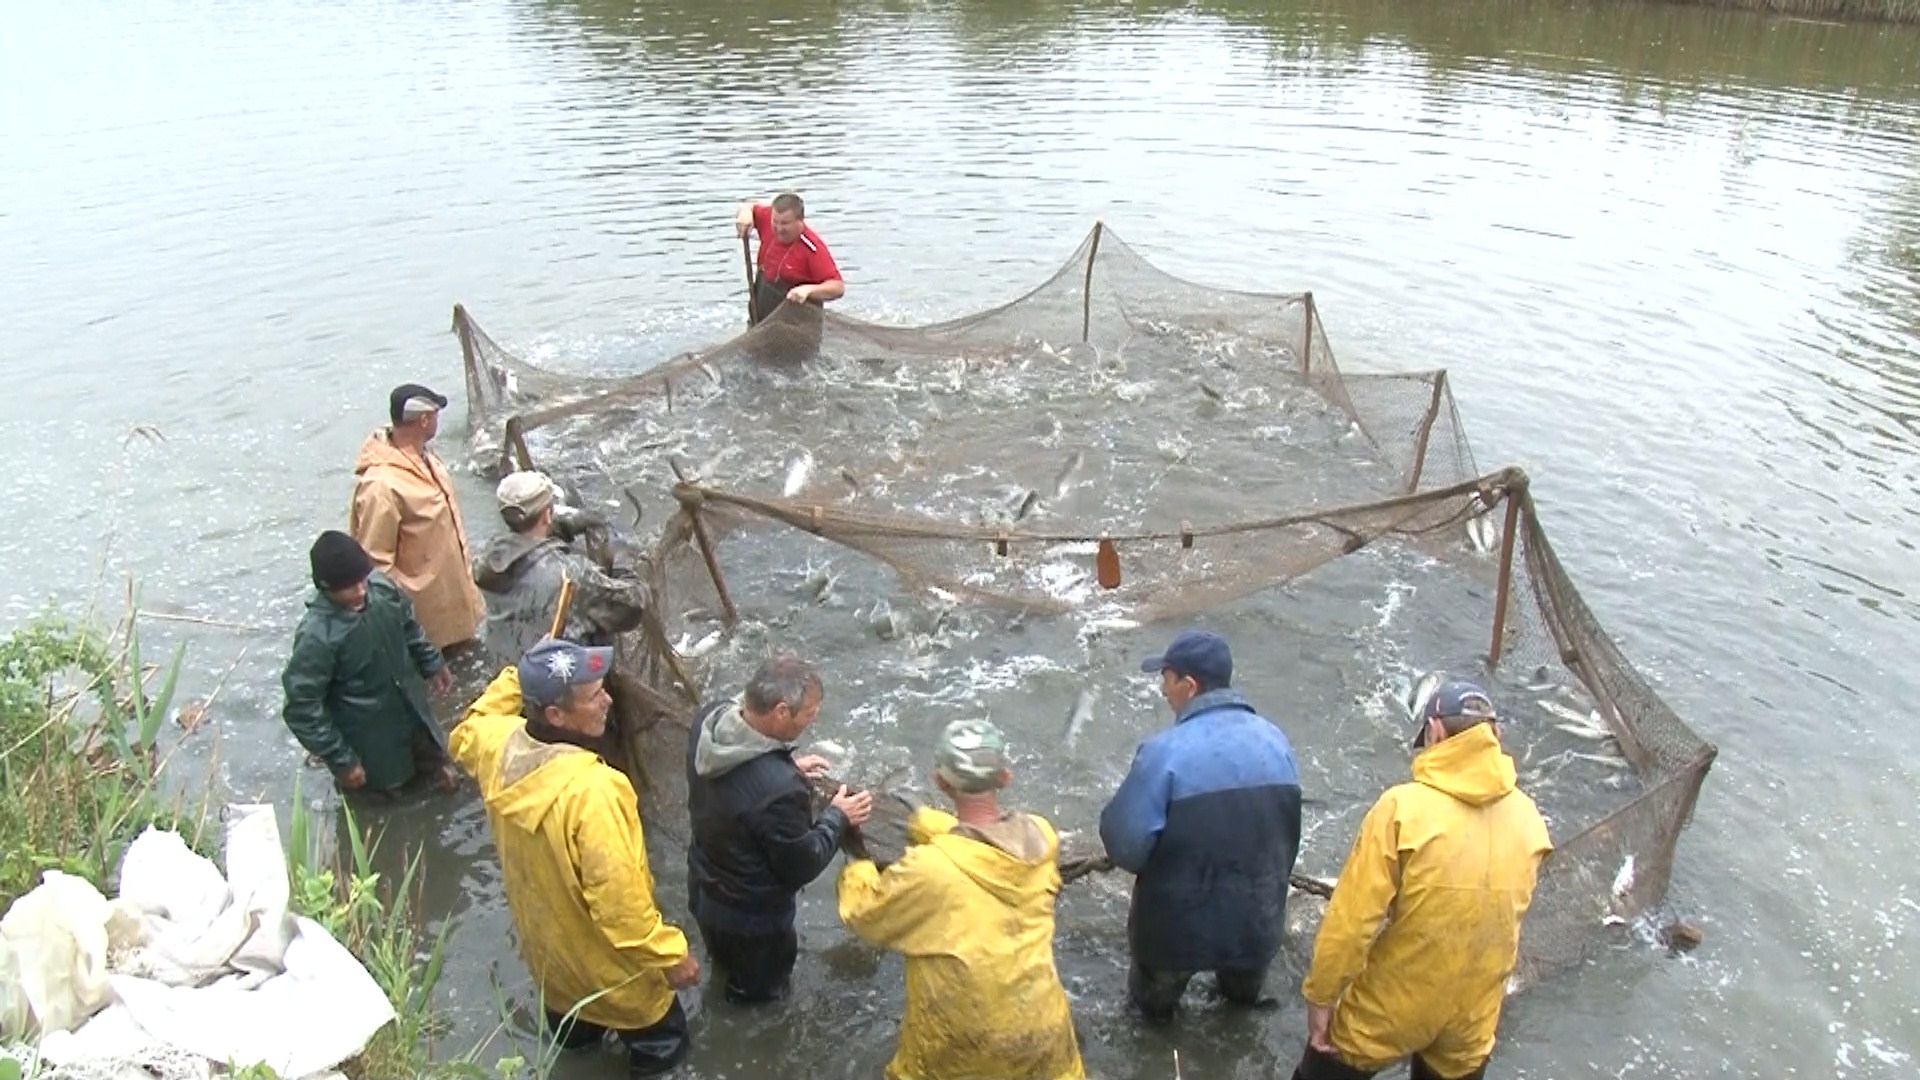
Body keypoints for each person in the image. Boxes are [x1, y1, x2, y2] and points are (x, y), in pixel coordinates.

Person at [449, 639, 700, 1077]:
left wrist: (522, 671)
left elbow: (471, 725)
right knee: (661, 1056)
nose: (607, 700)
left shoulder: (496, 746)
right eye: (593, 696)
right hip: (618, 980)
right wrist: (671, 955)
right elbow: (622, 912)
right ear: (555, 715)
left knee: (575, 1053)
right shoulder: (594, 793)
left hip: (554, 969)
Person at [1292, 680, 1552, 1080]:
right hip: (1474, 1017)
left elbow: (1351, 924)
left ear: (1434, 732)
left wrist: (1321, 998)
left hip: (1392, 1007)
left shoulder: (1401, 808)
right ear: (1495, 735)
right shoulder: (1529, 817)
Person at [837, 719, 1086, 1080]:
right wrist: (925, 823)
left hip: (963, 1040)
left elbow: (865, 915)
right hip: (1041, 1029)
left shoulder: (931, 868)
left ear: (939, 781)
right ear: (1004, 778)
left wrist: (858, 863)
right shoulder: (1042, 836)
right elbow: (983, 840)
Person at [1098, 628, 1303, 1022]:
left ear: (1189, 685)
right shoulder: (1277, 742)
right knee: (1239, 1016)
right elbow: (1287, 836)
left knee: (1150, 1020)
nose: (1163, 690)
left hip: (1175, 936)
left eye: (1167, 678)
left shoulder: (1163, 754)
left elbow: (1124, 846)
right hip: (1256, 927)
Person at [685, 653, 873, 1004]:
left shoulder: (709, 720)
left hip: (704, 890)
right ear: (781, 712)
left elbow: (738, 786)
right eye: (810, 712)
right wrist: (838, 816)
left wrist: (781, 763)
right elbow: (802, 864)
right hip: (753, 925)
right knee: (760, 1001)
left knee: (723, 969)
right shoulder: (779, 790)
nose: (814, 718)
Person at [281, 530, 456, 795]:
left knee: (438, 768)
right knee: (388, 798)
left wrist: (431, 661)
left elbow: (408, 626)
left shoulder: (381, 589)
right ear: (327, 588)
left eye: (363, 581)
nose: (362, 591)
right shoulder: (316, 637)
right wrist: (342, 760)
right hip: (370, 742)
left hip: (413, 714)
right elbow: (301, 707)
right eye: (351, 587)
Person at [349, 383, 487, 650]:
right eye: (435, 413)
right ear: (424, 420)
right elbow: (375, 563)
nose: (437, 420)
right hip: (424, 621)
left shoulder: (427, 457)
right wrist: (406, 613)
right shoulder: (381, 485)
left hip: (455, 604)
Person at [473, 470, 650, 663]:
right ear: (548, 515)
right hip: (558, 678)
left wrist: (565, 526)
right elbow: (633, 605)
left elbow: (529, 543)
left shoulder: (488, 558)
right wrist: (623, 560)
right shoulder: (571, 574)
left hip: (509, 671)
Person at [734, 192, 844, 325]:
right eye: (775, 222)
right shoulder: (768, 217)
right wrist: (745, 213)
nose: (779, 229)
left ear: (800, 221)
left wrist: (808, 290)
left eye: (785, 223)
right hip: (761, 315)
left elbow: (837, 287)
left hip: (797, 325)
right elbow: (749, 206)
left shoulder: (812, 248)